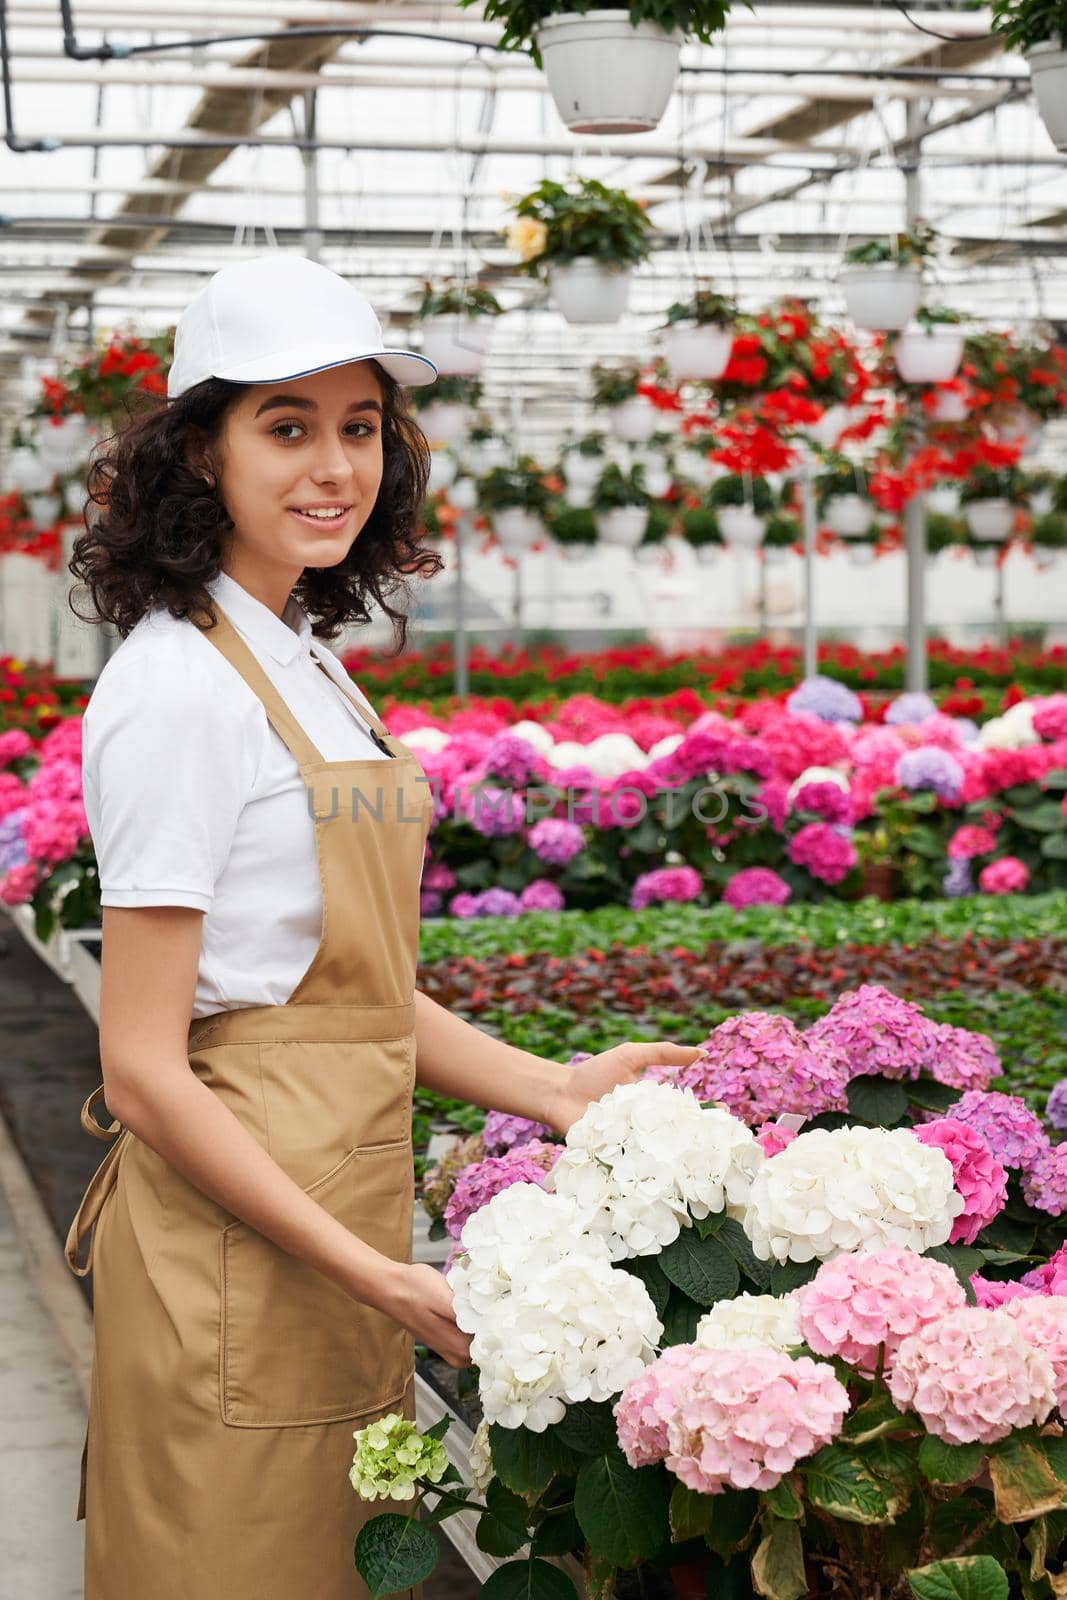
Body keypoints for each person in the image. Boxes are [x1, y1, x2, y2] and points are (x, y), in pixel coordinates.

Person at [63, 254, 701, 1600]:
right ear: (199, 452)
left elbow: (338, 992)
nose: (333, 466)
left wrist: (559, 1090)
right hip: (245, 1247)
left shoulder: (301, 660)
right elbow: (142, 1065)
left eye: (359, 428)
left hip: (327, 1224)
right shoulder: (181, 692)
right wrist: (377, 1273)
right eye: (285, 426)